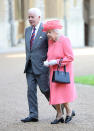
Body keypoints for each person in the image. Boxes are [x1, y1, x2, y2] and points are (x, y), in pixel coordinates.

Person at [43, 20, 77, 124]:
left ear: (56, 32)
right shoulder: (50, 41)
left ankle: (68, 111)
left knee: (62, 94)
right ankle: (59, 114)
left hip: (63, 71)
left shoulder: (65, 40)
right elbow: (51, 54)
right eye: (47, 32)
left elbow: (70, 57)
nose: (47, 35)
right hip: (53, 70)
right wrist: (48, 62)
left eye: (49, 32)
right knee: (55, 94)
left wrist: (56, 61)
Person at [21, 8, 50, 123]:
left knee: (46, 90)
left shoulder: (46, 30)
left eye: (32, 17)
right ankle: (33, 114)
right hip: (29, 66)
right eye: (28, 17)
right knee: (31, 91)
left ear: (39, 17)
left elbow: (51, 49)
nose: (30, 19)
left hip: (42, 67)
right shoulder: (27, 30)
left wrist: (48, 64)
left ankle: (66, 109)